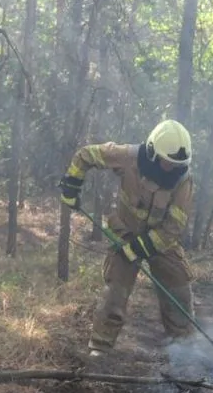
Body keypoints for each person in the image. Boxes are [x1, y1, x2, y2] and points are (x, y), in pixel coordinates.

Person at [59, 119, 195, 356]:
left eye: (177, 164)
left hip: (161, 240)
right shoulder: (129, 156)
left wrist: (140, 248)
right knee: (116, 291)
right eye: (167, 162)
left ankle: (183, 348)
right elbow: (86, 155)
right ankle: (100, 347)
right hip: (124, 231)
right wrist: (72, 185)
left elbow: (173, 227)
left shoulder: (183, 179)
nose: (171, 168)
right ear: (152, 152)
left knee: (179, 287)